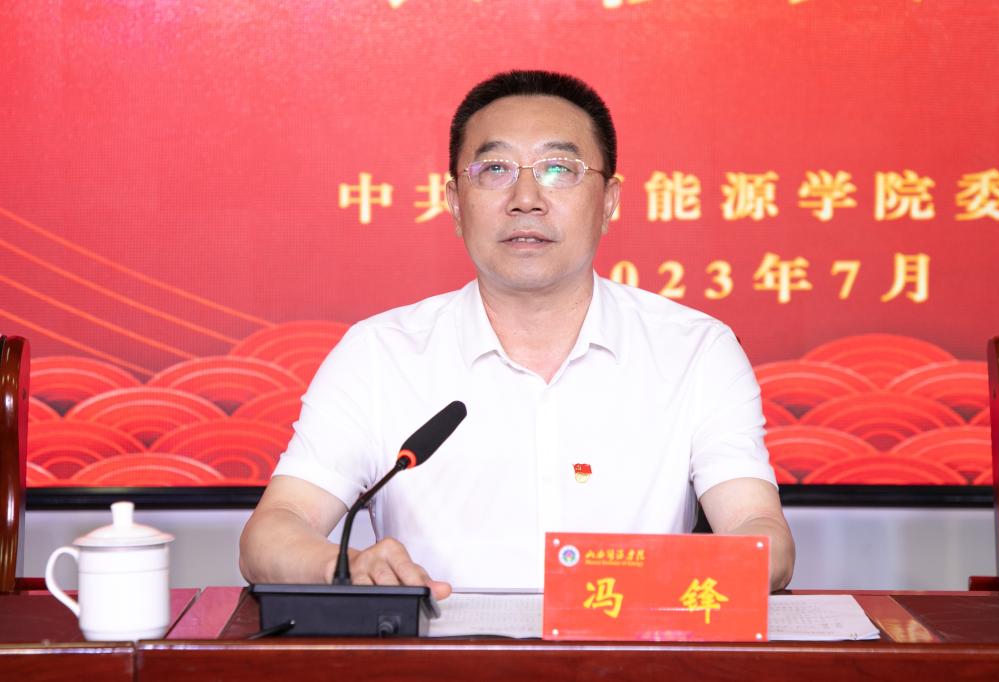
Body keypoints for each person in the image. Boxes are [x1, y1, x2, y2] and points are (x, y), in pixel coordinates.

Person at [239, 70, 795, 595]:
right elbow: (273, 530)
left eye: (558, 169)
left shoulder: (695, 351)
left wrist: (645, 585)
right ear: (455, 203)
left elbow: (759, 532)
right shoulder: (378, 356)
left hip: (630, 650)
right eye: (495, 170)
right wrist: (344, 568)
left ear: (609, 202)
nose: (526, 199)